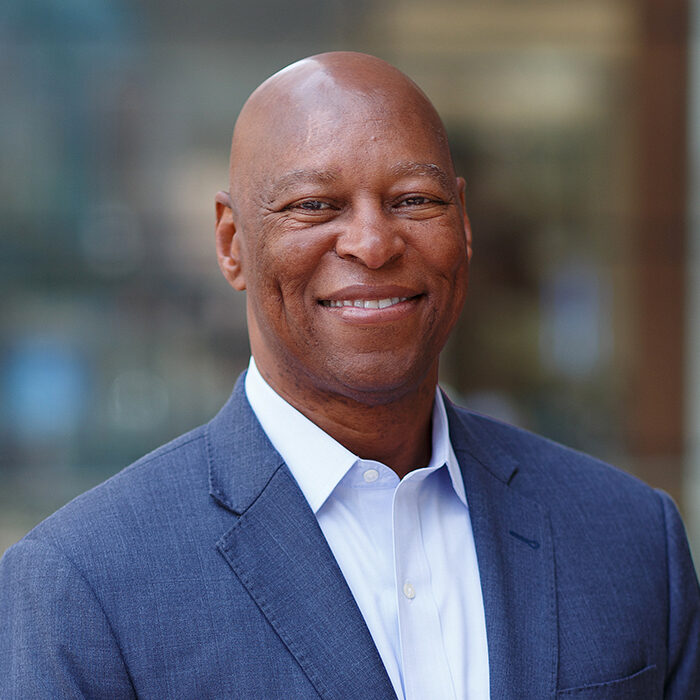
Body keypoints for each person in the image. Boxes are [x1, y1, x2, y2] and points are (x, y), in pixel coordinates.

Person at [1, 51, 698, 700]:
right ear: (231, 242)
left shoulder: (631, 539)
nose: (371, 243)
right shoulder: (82, 587)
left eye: (414, 201)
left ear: (464, 222)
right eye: (314, 206)